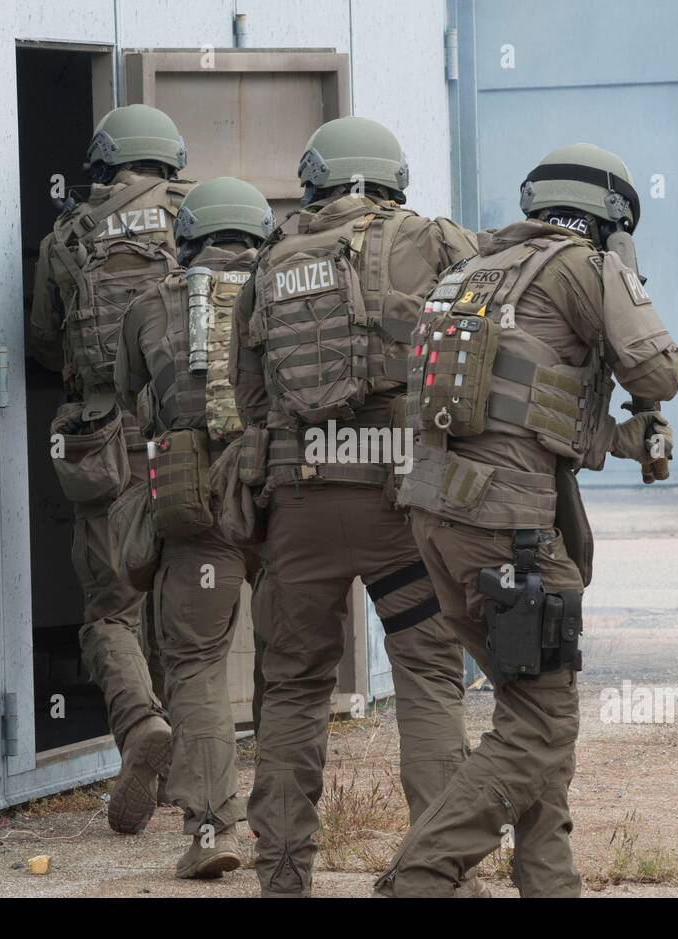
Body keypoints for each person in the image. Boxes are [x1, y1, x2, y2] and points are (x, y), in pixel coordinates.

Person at [374, 143, 678, 897]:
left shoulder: (473, 269)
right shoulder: (580, 267)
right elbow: (660, 371)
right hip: (507, 531)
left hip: (441, 520)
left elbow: (523, 413)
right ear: (608, 218)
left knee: (532, 715)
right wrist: (625, 278)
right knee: (541, 727)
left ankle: (552, 885)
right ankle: (416, 879)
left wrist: (618, 438)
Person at [230, 116, 480, 897]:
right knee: (427, 679)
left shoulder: (271, 260)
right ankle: (438, 876)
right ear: (393, 178)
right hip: (402, 509)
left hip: (302, 512)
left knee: (296, 687)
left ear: (315, 182)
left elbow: (248, 397)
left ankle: (280, 876)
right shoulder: (437, 242)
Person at [28, 104, 192, 834]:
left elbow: (38, 341)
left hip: (103, 441)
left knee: (110, 610)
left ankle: (139, 726)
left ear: (101, 165)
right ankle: (197, 777)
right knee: (193, 603)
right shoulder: (194, 218)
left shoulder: (67, 236)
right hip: (187, 432)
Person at [114, 176, 274, 877]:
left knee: (198, 662)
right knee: (294, 660)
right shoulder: (289, 290)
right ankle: (292, 821)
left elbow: (127, 392)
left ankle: (213, 827)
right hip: (282, 492)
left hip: (197, 503)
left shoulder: (153, 304)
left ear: (187, 242)